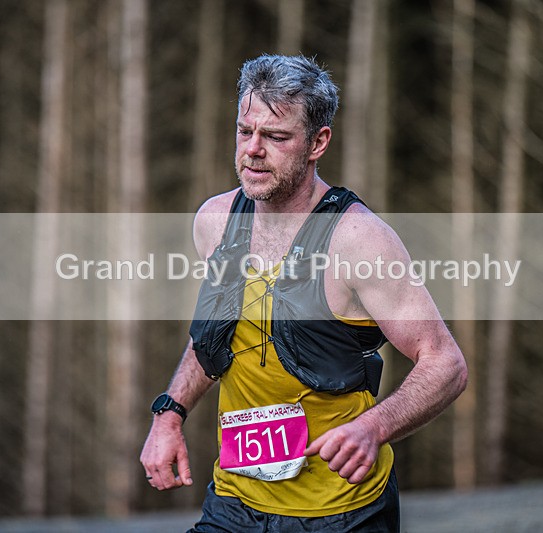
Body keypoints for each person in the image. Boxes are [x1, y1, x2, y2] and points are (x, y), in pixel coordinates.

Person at [140, 54, 467, 532]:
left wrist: (374, 427)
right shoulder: (214, 222)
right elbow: (216, 336)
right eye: (244, 130)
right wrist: (170, 413)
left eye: (275, 137)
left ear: (318, 142)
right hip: (235, 503)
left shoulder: (357, 240)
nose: (253, 150)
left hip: (341, 511)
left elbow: (446, 364)